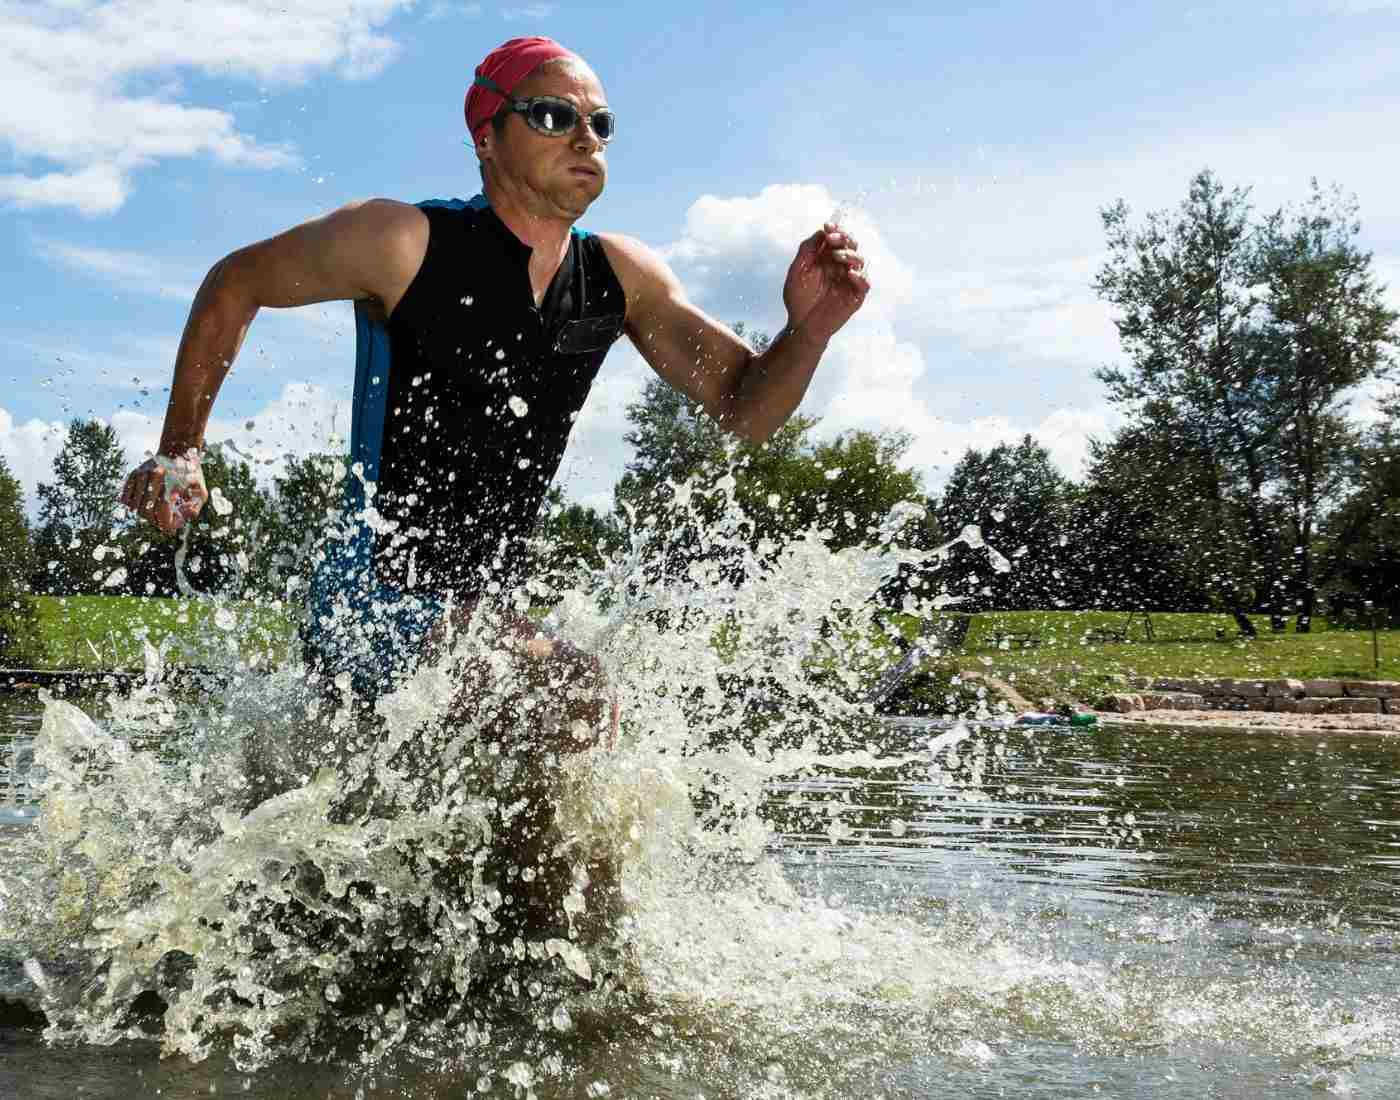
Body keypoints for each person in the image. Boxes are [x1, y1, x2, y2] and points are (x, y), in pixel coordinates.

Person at [118, 34, 868, 710]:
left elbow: (746, 410)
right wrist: (182, 445)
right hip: (369, 594)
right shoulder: (402, 240)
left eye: (600, 124)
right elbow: (233, 282)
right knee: (574, 696)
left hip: (482, 612)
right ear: (487, 135)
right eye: (552, 115)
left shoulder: (619, 277)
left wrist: (808, 332)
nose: (585, 136)